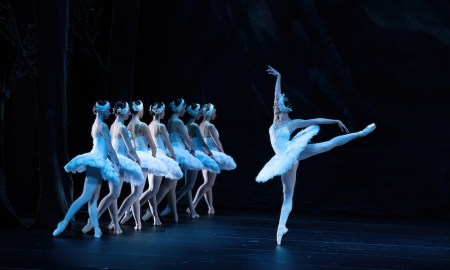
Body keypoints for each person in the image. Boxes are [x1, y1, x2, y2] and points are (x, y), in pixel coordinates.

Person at [256, 66, 376, 245]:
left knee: (326, 146)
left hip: (292, 151)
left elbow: (316, 120)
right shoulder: (275, 120)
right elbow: (276, 94)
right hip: (284, 159)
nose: (274, 105)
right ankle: (281, 228)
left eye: (277, 103)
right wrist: (279, 76)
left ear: (283, 108)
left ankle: (360, 133)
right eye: (275, 103)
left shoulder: (292, 123)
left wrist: (335, 120)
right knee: (287, 195)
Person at [53, 100, 121, 239]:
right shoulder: (103, 126)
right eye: (108, 109)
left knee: (93, 199)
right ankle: (64, 222)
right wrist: (117, 165)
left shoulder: (95, 124)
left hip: (97, 160)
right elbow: (110, 149)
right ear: (102, 111)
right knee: (86, 196)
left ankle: (96, 229)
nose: (110, 111)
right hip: (96, 161)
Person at [82, 101, 144, 235]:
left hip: (113, 160)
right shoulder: (121, 127)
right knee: (114, 194)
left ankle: (116, 225)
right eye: (128, 111)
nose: (129, 113)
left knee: (113, 195)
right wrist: (137, 160)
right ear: (124, 112)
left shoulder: (112, 125)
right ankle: (93, 220)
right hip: (118, 161)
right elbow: (130, 149)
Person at [160, 103, 220, 218]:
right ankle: (171, 206)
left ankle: (193, 209)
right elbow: (200, 142)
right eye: (199, 112)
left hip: (189, 153)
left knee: (189, 185)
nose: (200, 114)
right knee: (188, 185)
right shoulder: (194, 126)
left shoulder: (189, 124)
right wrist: (210, 153)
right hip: (193, 154)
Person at [116, 100, 168, 231]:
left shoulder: (128, 125)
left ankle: (137, 221)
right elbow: (153, 147)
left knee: (136, 193)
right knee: (137, 193)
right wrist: (154, 162)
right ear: (140, 111)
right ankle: (120, 216)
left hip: (134, 158)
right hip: (143, 158)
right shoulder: (143, 125)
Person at [138, 102, 184, 225]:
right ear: (160, 112)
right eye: (163, 111)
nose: (165, 113)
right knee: (156, 189)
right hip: (163, 156)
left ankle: (173, 215)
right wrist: (174, 158)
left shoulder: (150, 125)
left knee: (169, 187)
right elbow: (168, 145)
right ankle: (133, 209)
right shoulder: (161, 126)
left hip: (154, 155)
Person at [191, 103, 236, 215]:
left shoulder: (200, 124)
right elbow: (217, 142)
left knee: (207, 183)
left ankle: (210, 207)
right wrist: (223, 154)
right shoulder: (210, 126)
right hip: (212, 154)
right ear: (211, 113)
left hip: (204, 153)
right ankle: (193, 204)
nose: (216, 114)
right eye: (214, 112)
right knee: (209, 183)